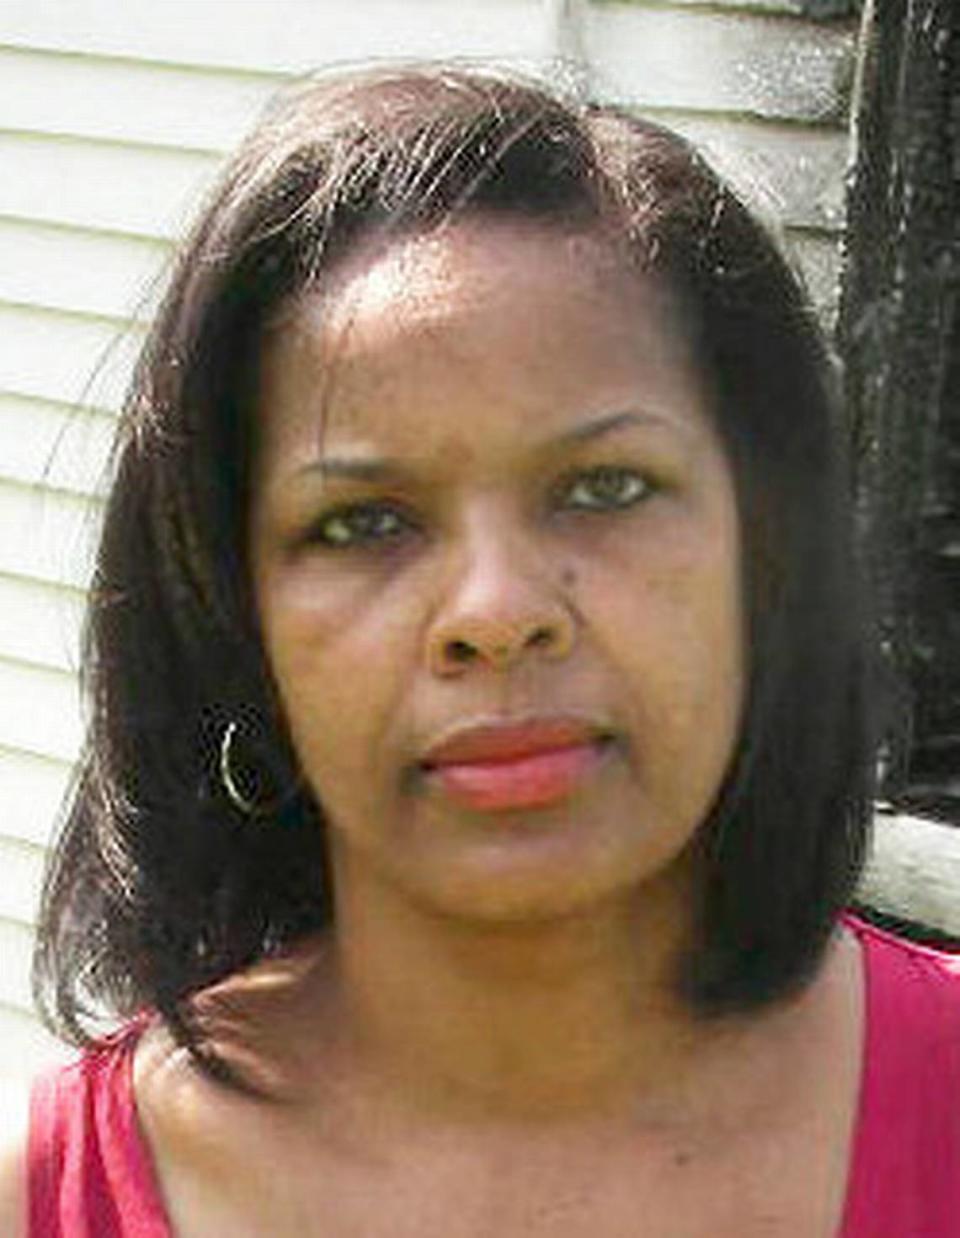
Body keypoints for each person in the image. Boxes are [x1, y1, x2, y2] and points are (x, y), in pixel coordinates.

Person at [2, 63, 958, 1237]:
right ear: (231, 614)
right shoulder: (49, 1194)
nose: (496, 609)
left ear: (766, 561)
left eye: (605, 488)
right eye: (361, 522)